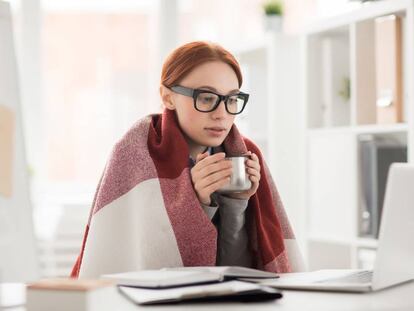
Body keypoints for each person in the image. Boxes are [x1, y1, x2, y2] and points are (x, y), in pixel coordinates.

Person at [71, 41, 303, 278]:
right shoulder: (135, 155)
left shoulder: (245, 154)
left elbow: (237, 272)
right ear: (168, 97)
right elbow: (147, 271)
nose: (221, 114)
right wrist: (196, 204)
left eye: (232, 99)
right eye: (205, 98)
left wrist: (237, 201)